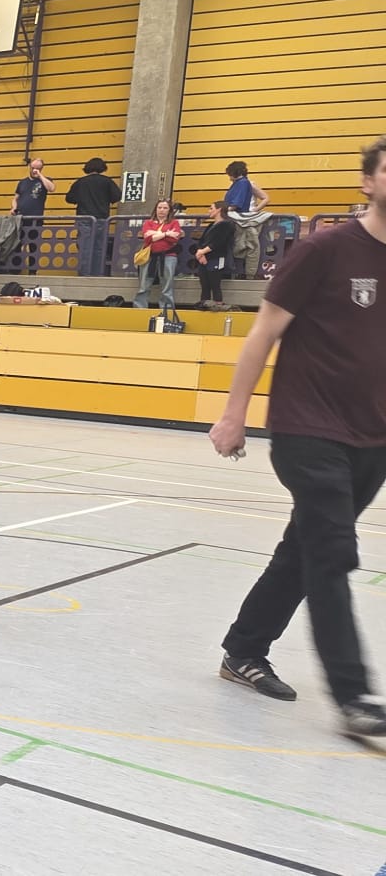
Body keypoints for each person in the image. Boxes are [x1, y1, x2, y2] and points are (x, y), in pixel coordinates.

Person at [210, 135, 386, 738]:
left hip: (372, 438)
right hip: (308, 428)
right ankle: (354, 696)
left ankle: (244, 648)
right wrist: (234, 415)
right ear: (368, 182)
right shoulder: (325, 250)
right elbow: (263, 332)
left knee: (304, 547)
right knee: (332, 551)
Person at [65, 157, 119, 273]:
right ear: (102, 168)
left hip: (84, 218)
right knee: (99, 248)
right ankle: (97, 273)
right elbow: (116, 196)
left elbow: (69, 198)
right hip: (102, 219)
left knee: (85, 247)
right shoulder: (107, 181)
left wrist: (82, 199)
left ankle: (85, 274)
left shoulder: (80, 182)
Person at [134, 198, 183, 312]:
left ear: (169, 210)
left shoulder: (174, 223)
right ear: (155, 209)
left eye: (165, 208)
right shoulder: (148, 223)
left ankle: (167, 310)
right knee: (144, 285)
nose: (162, 210)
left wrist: (155, 234)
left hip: (168, 256)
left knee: (167, 285)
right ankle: (139, 309)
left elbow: (174, 238)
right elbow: (148, 238)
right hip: (149, 257)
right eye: (159, 207)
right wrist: (166, 234)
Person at [191, 201, 238, 309]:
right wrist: (200, 253)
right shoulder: (211, 225)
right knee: (204, 285)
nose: (209, 211)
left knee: (215, 284)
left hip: (217, 257)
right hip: (204, 258)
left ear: (219, 209)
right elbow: (202, 240)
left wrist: (203, 251)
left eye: (211, 208)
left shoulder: (228, 224)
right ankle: (204, 305)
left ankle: (218, 307)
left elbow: (219, 242)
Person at [11, 158, 56, 272]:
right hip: (20, 218)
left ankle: (32, 271)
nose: (35, 170)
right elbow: (16, 198)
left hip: (35, 219)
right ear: (29, 167)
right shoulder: (22, 182)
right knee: (16, 245)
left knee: (33, 246)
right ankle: (15, 270)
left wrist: (40, 176)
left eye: (38, 168)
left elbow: (51, 188)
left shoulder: (44, 180)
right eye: (33, 168)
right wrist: (14, 207)